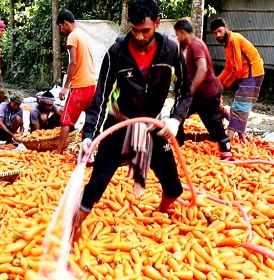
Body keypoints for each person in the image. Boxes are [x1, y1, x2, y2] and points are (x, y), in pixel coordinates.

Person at [70, 0, 193, 242]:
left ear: (157, 24)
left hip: (153, 127)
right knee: (95, 186)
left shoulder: (170, 50)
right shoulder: (116, 53)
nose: (138, 36)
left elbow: (186, 89)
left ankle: (159, 215)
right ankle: (71, 233)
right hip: (118, 126)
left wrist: (176, 119)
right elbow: (100, 98)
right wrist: (88, 137)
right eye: (134, 30)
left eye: (145, 30)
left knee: (174, 187)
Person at [173, 19, 233, 160]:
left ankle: (227, 155)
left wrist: (190, 90)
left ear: (183, 32)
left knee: (215, 128)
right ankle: (177, 146)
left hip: (208, 95)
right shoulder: (191, 46)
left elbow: (202, 68)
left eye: (177, 35)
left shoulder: (196, 45)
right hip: (198, 95)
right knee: (177, 114)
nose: (177, 38)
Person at [210, 18, 264, 143]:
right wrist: (216, 83)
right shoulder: (228, 44)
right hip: (250, 73)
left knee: (239, 105)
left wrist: (223, 86)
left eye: (220, 31)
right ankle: (242, 139)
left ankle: (227, 140)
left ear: (226, 27)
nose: (218, 35)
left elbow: (235, 68)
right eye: (215, 33)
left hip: (252, 73)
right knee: (241, 105)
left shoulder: (233, 39)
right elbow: (228, 68)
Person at [55, 9, 96, 154]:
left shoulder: (72, 36)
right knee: (92, 117)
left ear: (65, 23)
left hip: (80, 85)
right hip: (92, 83)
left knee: (66, 118)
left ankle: (59, 151)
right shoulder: (83, 35)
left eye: (60, 26)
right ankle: (87, 147)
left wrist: (65, 87)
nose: (61, 30)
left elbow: (73, 62)